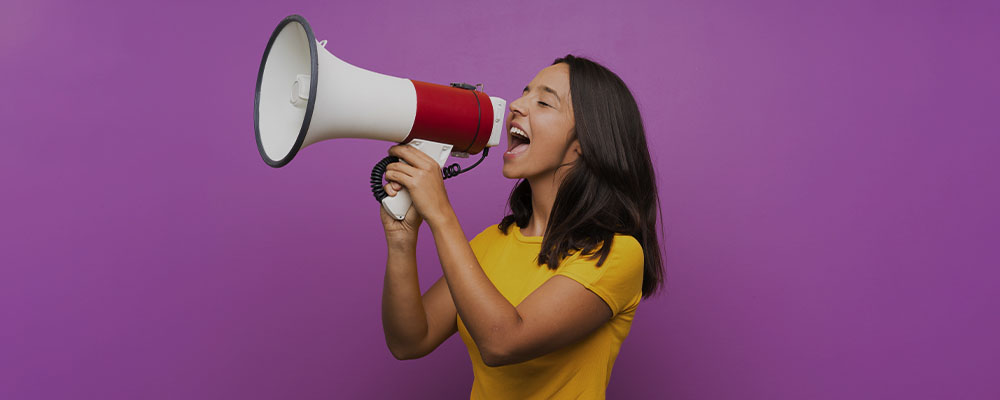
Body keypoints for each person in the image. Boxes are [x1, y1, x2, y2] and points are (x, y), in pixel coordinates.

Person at [379, 54, 665, 399]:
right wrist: (402, 239)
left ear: (583, 145)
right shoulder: (494, 242)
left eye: (544, 102)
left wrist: (441, 215)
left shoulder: (617, 254)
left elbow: (502, 343)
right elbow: (410, 340)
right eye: (524, 93)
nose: (516, 105)